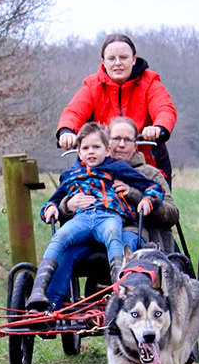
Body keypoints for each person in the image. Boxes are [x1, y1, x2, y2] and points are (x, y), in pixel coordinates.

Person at [27, 123, 160, 311]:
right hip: (82, 220)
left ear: (107, 150)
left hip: (110, 218)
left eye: (96, 147)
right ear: (79, 153)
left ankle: (119, 288)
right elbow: (52, 202)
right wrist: (53, 208)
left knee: (115, 233)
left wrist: (147, 200)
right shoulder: (71, 175)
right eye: (85, 148)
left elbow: (154, 188)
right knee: (60, 238)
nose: (91, 152)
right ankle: (43, 297)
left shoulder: (117, 169)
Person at [56, 33, 179, 182]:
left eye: (123, 58)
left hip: (148, 163)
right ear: (103, 62)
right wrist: (66, 131)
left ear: (134, 59)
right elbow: (74, 112)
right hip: (102, 166)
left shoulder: (150, 83)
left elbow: (165, 109)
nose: (118, 63)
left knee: (161, 203)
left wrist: (158, 128)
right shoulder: (92, 86)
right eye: (112, 58)